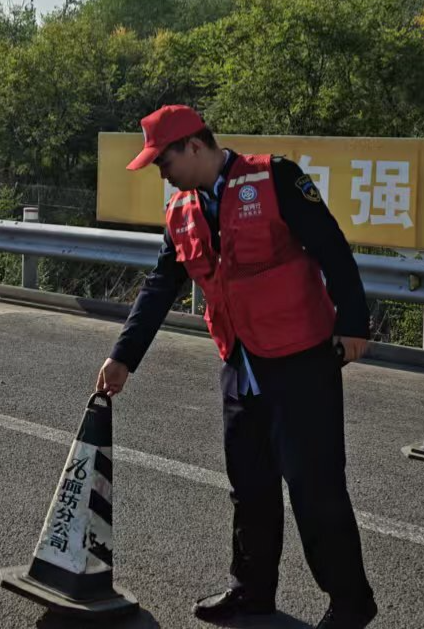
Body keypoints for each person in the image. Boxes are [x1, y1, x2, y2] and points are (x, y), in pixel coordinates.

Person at [96, 105, 377, 629]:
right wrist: (123, 356)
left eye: (163, 161)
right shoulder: (181, 211)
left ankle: (350, 603)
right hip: (240, 363)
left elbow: (330, 246)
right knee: (249, 485)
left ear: (194, 146)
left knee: (316, 488)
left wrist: (353, 323)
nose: (161, 173)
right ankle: (252, 591)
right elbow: (161, 286)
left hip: (300, 360)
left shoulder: (275, 178)